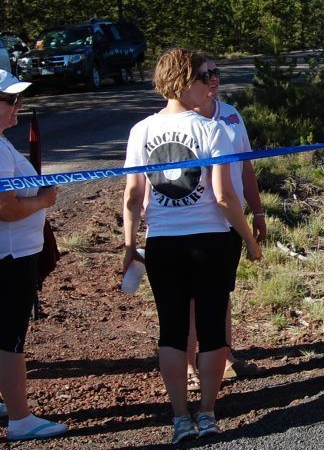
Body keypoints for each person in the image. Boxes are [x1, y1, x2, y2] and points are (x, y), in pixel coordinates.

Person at [122, 48, 261, 444]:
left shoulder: (141, 131)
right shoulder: (210, 129)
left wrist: (130, 244)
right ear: (183, 82)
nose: (210, 86)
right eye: (204, 79)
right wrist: (249, 239)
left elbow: (133, 195)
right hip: (211, 239)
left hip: (163, 241)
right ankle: (207, 412)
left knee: (172, 330)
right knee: (213, 330)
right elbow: (223, 196)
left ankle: (179, 417)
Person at [184, 55, 267, 390]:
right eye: (206, 75)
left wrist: (258, 212)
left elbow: (246, 168)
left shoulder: (231, 114)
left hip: (231, 218)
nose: (214, 80)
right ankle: (190, 367)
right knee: (189, 299)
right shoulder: (179, 121)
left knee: (221, 293)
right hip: (195, 220)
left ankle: (225, 355)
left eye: (216, 73)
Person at [0, 70, 68, 441]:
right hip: (10, 255)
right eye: (11, 101)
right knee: (10, 337)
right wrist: (44, 199)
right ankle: (20, 418)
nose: (18, 107)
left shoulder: (2, 143)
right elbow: (5, 208)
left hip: (12, 252)